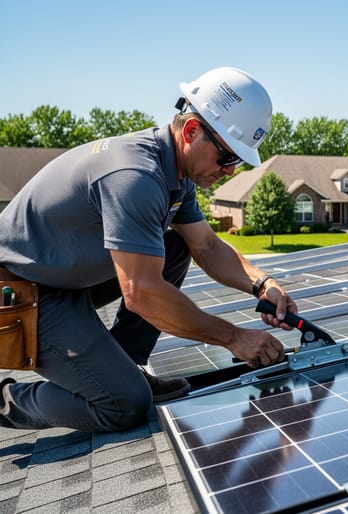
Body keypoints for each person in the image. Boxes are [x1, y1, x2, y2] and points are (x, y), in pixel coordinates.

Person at [0, 67, 298, 432]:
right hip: (22, 294)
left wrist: (261, 283)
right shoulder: (135, 177)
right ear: (191, 132)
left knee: (174, 247)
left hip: (63, 279)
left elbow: (205, 245)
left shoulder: (176, 176)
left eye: (237, 161)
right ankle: (7, 401)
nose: (230, 171)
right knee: (124, 405)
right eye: (226, 157)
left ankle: (124, 367)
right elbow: (141, 294)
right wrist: (235, 338)